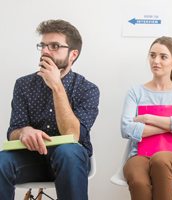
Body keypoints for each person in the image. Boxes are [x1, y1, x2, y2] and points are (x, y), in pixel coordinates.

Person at [0, 19, 99, 200]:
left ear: (73, 55)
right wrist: (24, 131)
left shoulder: (88, 89)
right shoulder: (23, 85)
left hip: (71, 161)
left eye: (54, 46)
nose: (45, 51)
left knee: (67, 151)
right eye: (43, 45)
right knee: (1, 161)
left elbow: (72, 134)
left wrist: (57, 86)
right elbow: (13, 131)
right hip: (31, 160)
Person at [121, 36, 172, 200]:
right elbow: (126, 129)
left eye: (163, 56)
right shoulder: (135, 92)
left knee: (160, 160)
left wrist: (148, 118)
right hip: (139, 156)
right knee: (139, 182)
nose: (156, 61)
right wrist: (171, 125)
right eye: (152, 55)